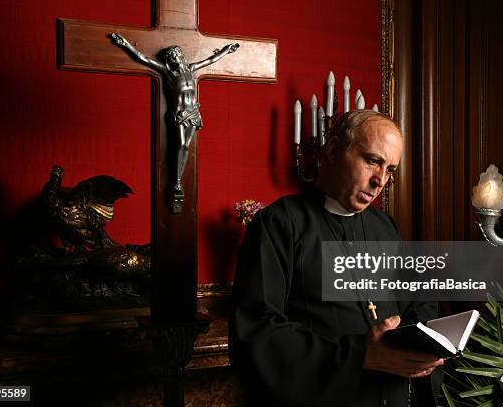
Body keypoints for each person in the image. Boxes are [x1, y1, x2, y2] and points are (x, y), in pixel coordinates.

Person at [229, 110, 443, 406]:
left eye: (390, 169)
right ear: (332, 151)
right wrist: (360, 354)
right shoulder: (281, 223)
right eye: (372, 161)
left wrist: (422, 343)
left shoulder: (385, 226)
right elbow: (256, 332)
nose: (379, 180)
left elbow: (417, 298)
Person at [110, 33, 239, 207]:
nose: (180, 58)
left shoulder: (191, 69)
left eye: (180, 55)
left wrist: (226, 51)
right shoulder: (168, 72)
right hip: (178, 114)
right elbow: (143, 59)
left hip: (193, 112)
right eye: (177, 56)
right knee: (179, 144)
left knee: (186, 146)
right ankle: (176, 181)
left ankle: (178, 178)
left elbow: (210, 60)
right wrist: (125, 44)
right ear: (171, 59)